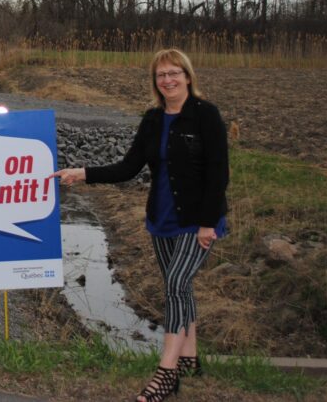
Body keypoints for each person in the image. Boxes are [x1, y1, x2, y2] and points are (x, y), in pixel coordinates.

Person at [50, 48, 228, 402]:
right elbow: (128, 167)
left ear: (188, 76)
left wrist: (209, 222)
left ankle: (166, 372)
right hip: (161, 218)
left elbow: (218, 172)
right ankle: (190, 358)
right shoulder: (152, 120)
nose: (168, 80)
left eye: (175, 72)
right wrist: (82, 173)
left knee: (176, 284)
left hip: (198, 222)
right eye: (162, 75)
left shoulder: (206, 115)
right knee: (181, 287)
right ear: (155, 82)